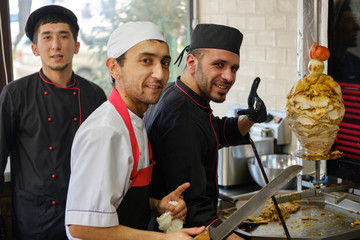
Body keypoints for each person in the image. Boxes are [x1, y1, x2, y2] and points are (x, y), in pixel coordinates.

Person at [65, 21, 205, 240]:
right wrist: (165, 239)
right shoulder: (105, 131)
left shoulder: (134, 120)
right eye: (146, 61)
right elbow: (82, 226)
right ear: (114, 68)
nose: (159, 74)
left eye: (165, 62)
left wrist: (158, 205)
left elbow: (116, 201)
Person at [144, 23, 267, 239]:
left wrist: (251, 118)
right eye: (219, 65)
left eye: (234, 68)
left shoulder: (178, 92)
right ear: (192, 62)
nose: (228, 76)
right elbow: (195, 209)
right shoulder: (181, 115)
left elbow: (212, 131)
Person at [0, 5, 107, 240]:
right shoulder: (15, 94)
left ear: (76, 46)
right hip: (33, 216)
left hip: (84, 214)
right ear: (35, 48)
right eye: (47, 37)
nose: (56, 45)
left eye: (63, 36)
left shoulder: (95, 95)